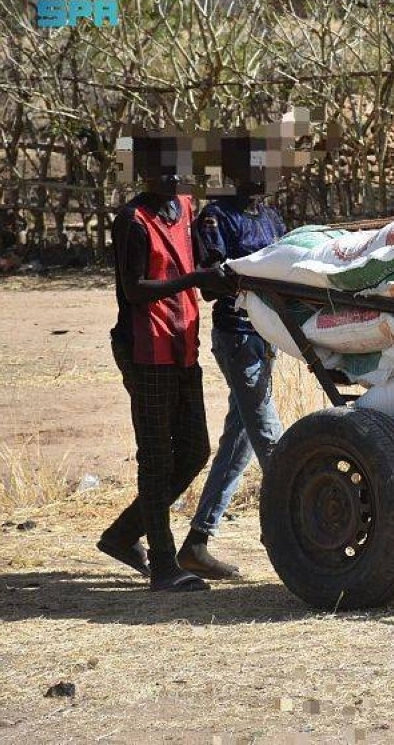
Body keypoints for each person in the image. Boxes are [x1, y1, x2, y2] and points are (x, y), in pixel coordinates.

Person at [98, 171, 233, 592]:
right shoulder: (132, 220)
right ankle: (163, 565)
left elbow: (193, 261)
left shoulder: (184, 207)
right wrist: (195, 281)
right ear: (142, 171)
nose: (173, 176)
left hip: (181, 343)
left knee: (195, 450)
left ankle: (123, 534)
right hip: (147, 349)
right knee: (155, 458)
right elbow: (134, 290)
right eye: (163, 167)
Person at [176, 170, 286, 580]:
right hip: (237, 337)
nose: (259, 178)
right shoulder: (216, 216)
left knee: (239, 443)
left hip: (268, 336)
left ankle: (197, 542)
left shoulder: (272, 218)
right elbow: (209, 284)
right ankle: (288, 534)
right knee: (272, 443)